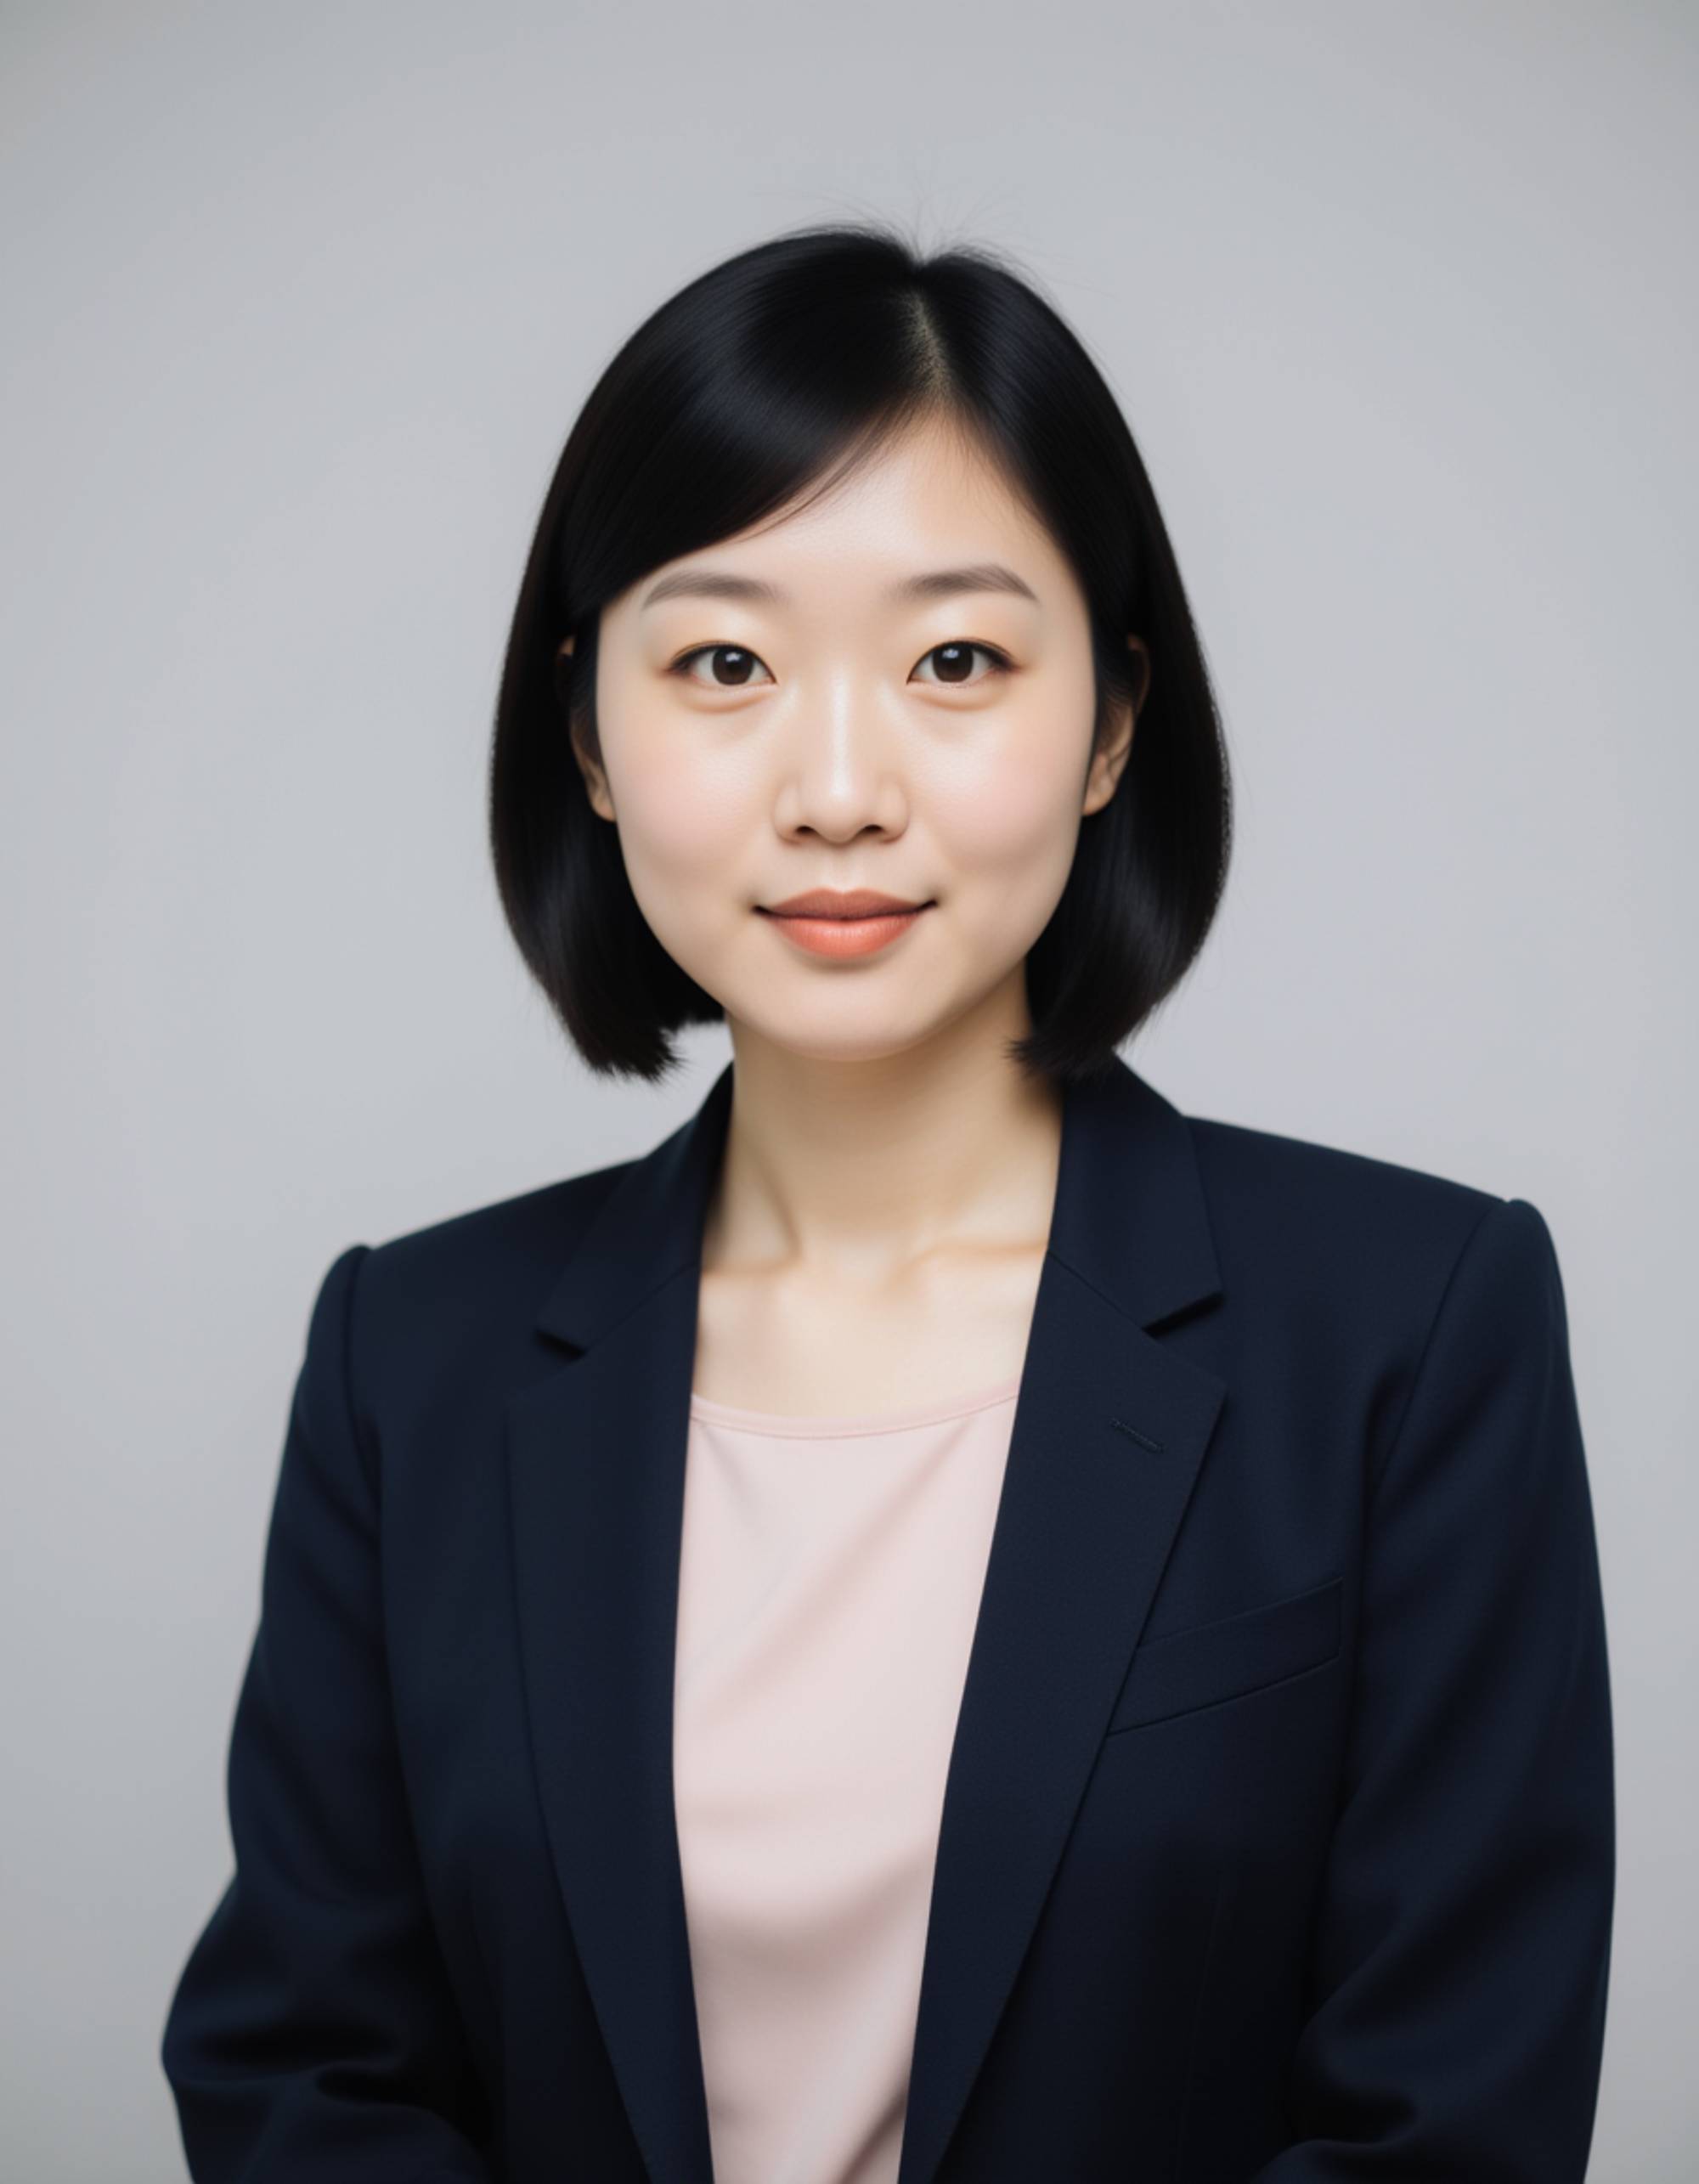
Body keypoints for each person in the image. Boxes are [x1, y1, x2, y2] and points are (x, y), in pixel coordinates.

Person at [160, 221, 1614, 2184]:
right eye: (726, 661)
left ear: (1109, 721)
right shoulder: (407, 1359)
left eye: (954, 659)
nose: (837, 785)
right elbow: (301, 2075)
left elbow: (1449, 2121)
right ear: (588, 730)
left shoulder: (1410, 1324)